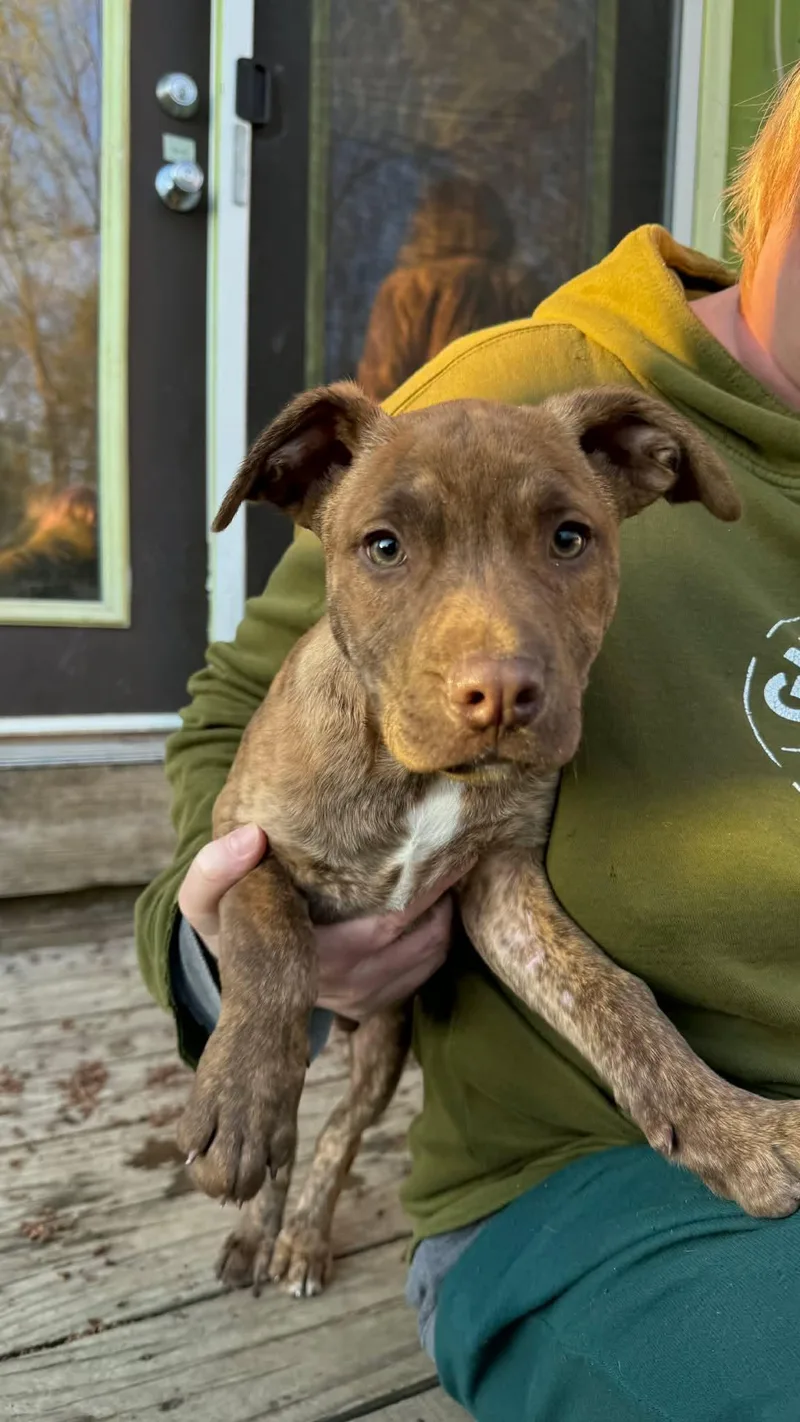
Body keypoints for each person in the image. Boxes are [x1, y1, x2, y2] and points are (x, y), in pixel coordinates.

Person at [136, 63, 800, 1421]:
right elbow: (228, 774)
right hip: (575, 1191)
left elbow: (510, 897)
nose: (497, 662)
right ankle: (304, 1203)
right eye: (394, 547)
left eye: (563, 541)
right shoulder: (503, 402)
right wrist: (242, 979)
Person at [356, 176, 546, 402]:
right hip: (503, 421)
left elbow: (380, 390)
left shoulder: (404, 289)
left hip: (424, 421)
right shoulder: (519, 288)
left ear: (427, 223)